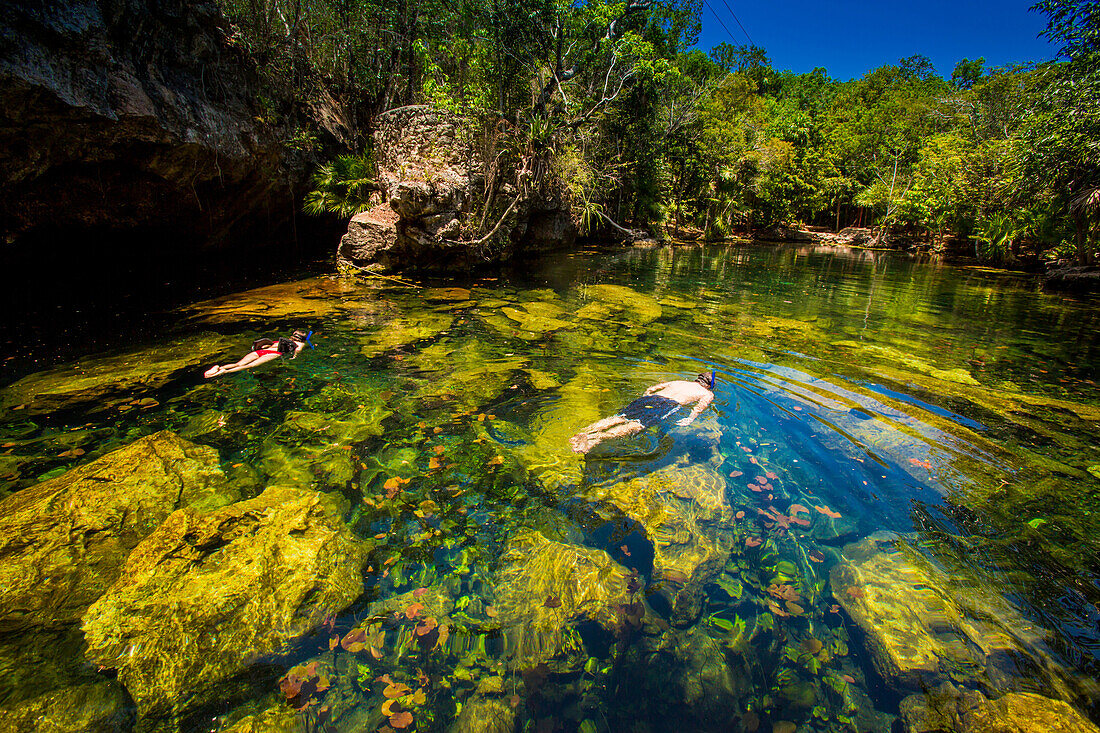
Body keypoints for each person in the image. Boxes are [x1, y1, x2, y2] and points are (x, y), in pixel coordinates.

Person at [569, 371, 716, 454]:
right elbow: (699, 408)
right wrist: (690, 418)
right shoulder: (707, 393)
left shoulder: (679, 382)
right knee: (637, 425)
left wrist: (646, 396)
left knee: (620, 417)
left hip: (650, 398)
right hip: (667, 405)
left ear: (697, 378)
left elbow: (652, 388)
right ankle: (596, 439)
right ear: (709, 385)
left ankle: (586, 431)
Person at [203, 330, 310, 378]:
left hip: (259, 350)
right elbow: (298, 350)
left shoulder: (282, 340)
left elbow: (265, 345)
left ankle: (220, 367)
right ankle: (223, 372)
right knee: (250, 365)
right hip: (273, 353)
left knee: (239, 363)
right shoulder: (299, 344)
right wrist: (294, 357)